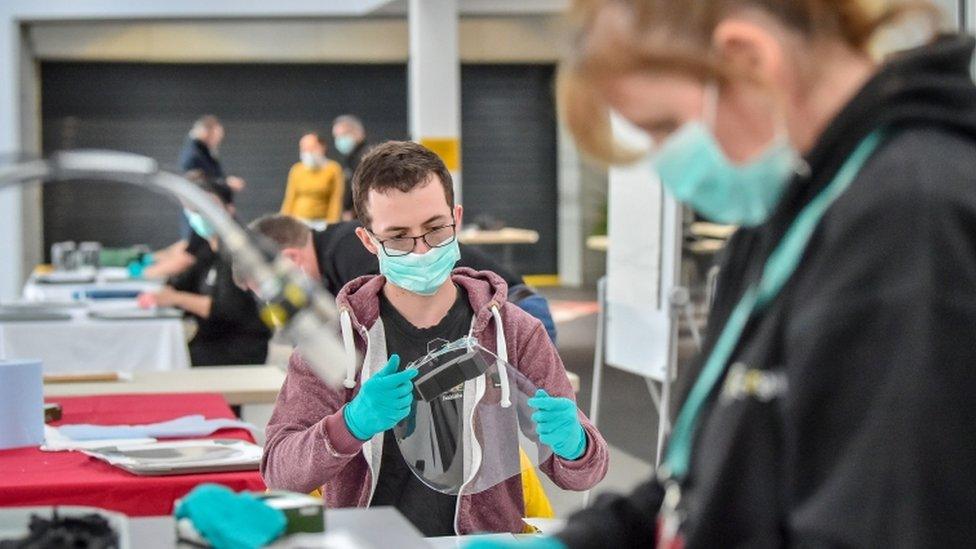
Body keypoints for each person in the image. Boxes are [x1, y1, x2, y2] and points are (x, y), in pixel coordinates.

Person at [473, 1, 976, 548]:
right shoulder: (783, 222)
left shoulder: (910, 220)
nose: (665, 165)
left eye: (665, 127)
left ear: (748, 58)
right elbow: (708, 478)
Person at [261, 141, 608, 535]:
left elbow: (583, 474)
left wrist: (574, 444)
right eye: (398, 237)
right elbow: (279, 473)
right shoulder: (334, 342)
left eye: (434, 229)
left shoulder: (512, 330)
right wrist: (351, 425)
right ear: (368, 241)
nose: (422, 250)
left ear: (456, 219)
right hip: (368, 544)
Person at [248, 214, 558, 342]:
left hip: (515, 312)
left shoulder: (346, 250)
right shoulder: (334, 259)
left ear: (290, 259)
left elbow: (391, 322)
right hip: (487, 316)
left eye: (269, 287)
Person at [137, 174, 270, 367]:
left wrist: (175, 298)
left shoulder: (238, 252)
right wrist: (165, 291)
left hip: (237, 348)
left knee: (160, 362)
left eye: (210, 206)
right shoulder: (207, 250)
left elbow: (226, 309)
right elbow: (181, 283)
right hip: (209, 340)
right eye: (195, 208)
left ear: (229, 210)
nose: (201, 213)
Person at [279, 132, 345, 227]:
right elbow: (290, 197)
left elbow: (336, 198)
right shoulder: (296, 169)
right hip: (298, 221)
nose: (307, 151)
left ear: (322, 147)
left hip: (322, 222)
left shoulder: (333, 169)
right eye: (304, 148)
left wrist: (332, 224)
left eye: (311, 147)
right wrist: (283, 220)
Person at [332, 114, 369, 220]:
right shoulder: (352, 157)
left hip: (360, 216)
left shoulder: (365, 156)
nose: (339, 140)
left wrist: (353, 211)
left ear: (359, 133)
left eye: (343, 134)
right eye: (336, 137)